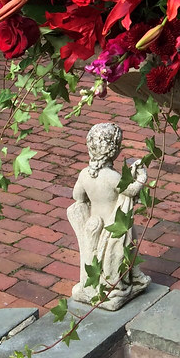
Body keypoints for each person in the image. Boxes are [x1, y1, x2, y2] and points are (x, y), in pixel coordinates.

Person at [67, 122, 150, 310]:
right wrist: (141, 178)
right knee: (129, 247)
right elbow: (131, 190)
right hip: (115, 226)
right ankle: (122, 282)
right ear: (113, 150)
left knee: (99, 259)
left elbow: (77, 197)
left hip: (94, 227)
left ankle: (98, 284)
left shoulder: (84, 175)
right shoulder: (111, 176)